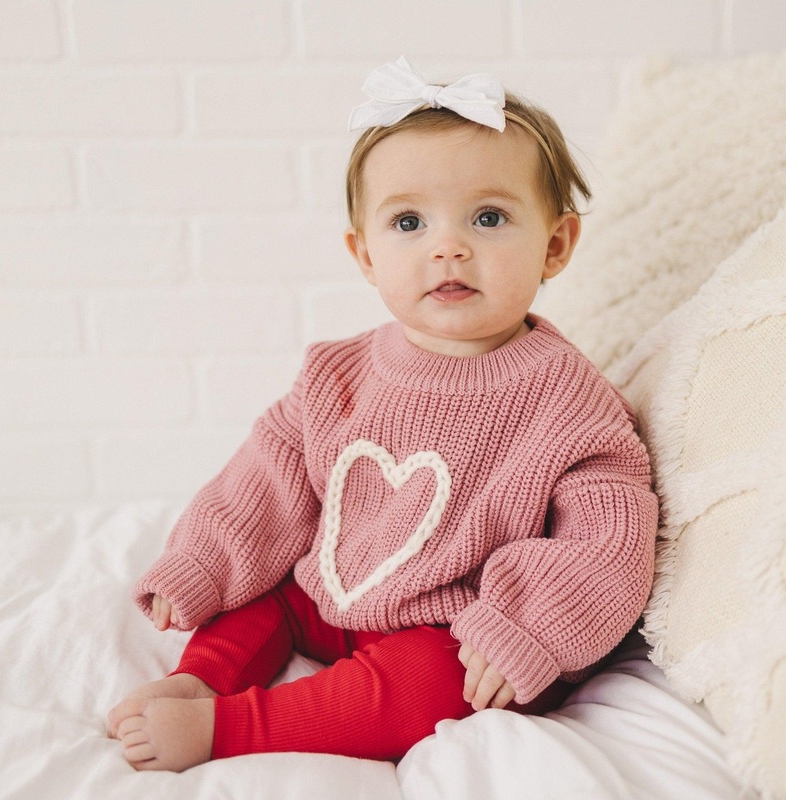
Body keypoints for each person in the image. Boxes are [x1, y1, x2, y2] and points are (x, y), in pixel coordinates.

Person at [107, 56, 658, 772]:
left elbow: (606, 535)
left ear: (555, 245)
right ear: (365, 254)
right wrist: (203, 562)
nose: (448, 245)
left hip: (460, 631)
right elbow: (264, 486)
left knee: (433, 683)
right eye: (408, 221)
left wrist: (524, 626)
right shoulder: (336, 374)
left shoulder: (569, 400)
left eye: (489, 217)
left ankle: (234, 727)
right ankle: (202, 678)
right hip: (335, 596)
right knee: (266, 587)